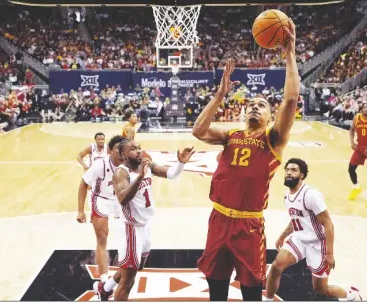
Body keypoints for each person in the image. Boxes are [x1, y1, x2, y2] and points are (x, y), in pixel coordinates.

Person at [192, 19, 300, 301]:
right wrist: (219, 95)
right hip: (219, 219)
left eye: (261, 105)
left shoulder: (272, 139)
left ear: (269, 117)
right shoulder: (230, 136)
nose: (254, 106)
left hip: (248, 226)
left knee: (251, 293)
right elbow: (199, 130)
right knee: (216, 290)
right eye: (250, 104)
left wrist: (289, 53)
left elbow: (290, 101)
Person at [95, 139, 195, 301]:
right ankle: (108, 292)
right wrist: (140, 176)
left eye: (139, 148)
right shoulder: (121, 173)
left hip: (145, 226)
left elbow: (170, 174)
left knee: (135, 267)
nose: (139, 151)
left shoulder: (146, 164)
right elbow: (122, 199)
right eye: (133, 149)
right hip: (131, 229)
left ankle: (105, 288)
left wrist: (180, 163)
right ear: (124, 155)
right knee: (128, 281)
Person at [264, 158, 362, 301]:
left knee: (321, 290)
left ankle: (351, 295)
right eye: (287, 170)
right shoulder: (287, 196)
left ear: (301, 175)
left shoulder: (311, 195)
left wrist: (329, 253)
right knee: (276, 267)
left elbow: (328, 223)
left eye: (294, 170)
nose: (289, 173)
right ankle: (268, 299)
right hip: (299, 239)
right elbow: (295, 220)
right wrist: (282, 236)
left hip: (317, 243)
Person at [76, 135, 126, 298]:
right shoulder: (99, 165)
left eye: (123, 149)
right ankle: (104, 279)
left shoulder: (128, 164)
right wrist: (81, 210)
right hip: (100, 199)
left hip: (119, 199)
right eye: (117, 149)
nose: (121, 152)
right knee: (102, 237)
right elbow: (83, 185)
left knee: (125, 237)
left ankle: (123, 270)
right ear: (110, 151)